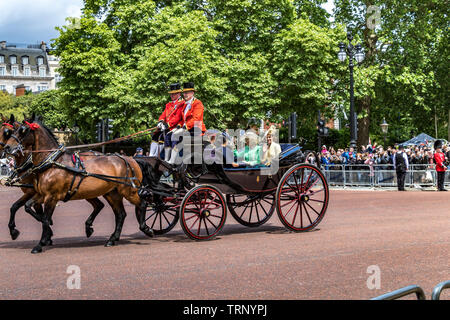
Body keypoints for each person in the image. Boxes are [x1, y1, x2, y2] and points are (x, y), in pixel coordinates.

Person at [150, 83, 185, 160]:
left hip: (174, 127)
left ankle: (159, 156)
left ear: (179, 94)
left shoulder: (182, 103)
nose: (171, 95)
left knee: (163, 137)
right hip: (166, 127)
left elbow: (177, 117)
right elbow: (163, 114)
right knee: (155, 135)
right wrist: (160, 122)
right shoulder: (168, 105)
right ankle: (151, 155)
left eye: (173, 94)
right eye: (171, 94)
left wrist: (166, 125)